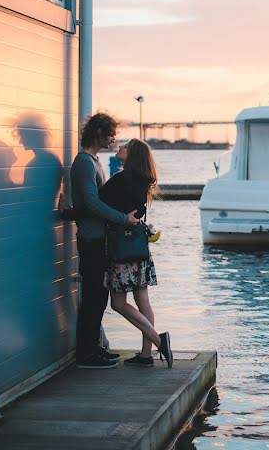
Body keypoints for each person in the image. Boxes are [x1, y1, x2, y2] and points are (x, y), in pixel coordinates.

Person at [70, 113, 140, 369]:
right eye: (109, 134)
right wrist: (123, 219)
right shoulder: (84, 164)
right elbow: (91, 202)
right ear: (99, 133)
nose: (112, 139)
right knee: (92, 297)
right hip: (91, 240)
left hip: (99, 239)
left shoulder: (94, 161)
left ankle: (94, 348)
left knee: (99, 297)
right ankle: (86, 355)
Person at [100, 138, 173, 368]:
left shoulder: (121, 180)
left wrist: (68, 214)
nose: (119, 148)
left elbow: (95, 203)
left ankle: (157, 340)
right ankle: (145, 355)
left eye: (124, 147)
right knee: (142, 300)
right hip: (138, 248)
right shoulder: (143, 182)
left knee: (118, 304)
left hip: (121, 250)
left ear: (131, 155)